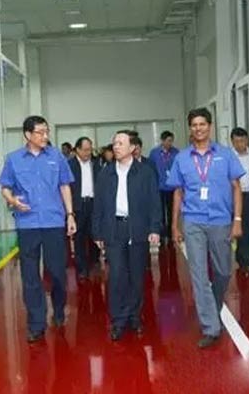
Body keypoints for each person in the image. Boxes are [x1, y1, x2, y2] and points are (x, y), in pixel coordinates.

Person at [167, 107, 245, 348]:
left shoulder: (225, 155)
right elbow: (178, 193)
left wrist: (237, 220)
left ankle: (214, 302)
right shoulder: (181, 158)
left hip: (221, 220)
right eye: (194, 125)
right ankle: (211, 327)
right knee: (199, 275)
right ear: (189, 129)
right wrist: (174, 225)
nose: (198, 128)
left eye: (202, 124)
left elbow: (236, 188)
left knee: (223, 271)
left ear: (209, 126)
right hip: (193, 222)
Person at [0, 115, 77, 343]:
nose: (45, 136)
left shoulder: (56, 157)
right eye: (40, 132)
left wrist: (70, 214)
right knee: (30, 276)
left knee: (57, 272)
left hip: (54, 222)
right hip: (28, 223)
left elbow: (64, 185)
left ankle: (59, 310)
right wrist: (13, 201)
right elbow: (5, 187)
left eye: (46, 132)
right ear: (27, 135)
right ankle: (36, 323)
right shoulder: (14, 160)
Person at [92, 130, 162, 341]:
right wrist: (97, 231)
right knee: (117, 276)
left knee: (137, 276)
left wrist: (155, 228)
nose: (115, 147)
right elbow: (99, 205)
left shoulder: (145, 172)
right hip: (114, 228)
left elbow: (154, 202)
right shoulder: (106, 173)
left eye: (120, 143)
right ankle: (118, 320)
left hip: (138, 228)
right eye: (114, 143)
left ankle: (135, 317)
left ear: (133, 148)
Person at [69, 137, 102, 280]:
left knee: (95, 235)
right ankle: (82, 268)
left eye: (90, 149)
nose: (89, 152)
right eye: (86, 150)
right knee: (79, 238)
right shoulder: (69, 165)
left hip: (94, 204)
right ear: (77, 149)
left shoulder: (96, 164)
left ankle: (94, 263)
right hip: (78, 205)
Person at [230, 127, 249, 275]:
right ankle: (247, 263)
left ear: (247, 140)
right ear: (232, 142)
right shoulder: (229, 157)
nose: (239, 144)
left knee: (247, 230)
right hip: (235, 196)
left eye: (242, 141)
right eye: (236, 141)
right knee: (240, 230)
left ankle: (241, 257)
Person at [149, 131, 179, 242]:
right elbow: (151, 169)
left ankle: (171, 232)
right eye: (168, 141)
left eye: (171, 141)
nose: (170, 143)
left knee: (172, 211)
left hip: (172, 187)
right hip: (159, 187)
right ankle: (161, 233)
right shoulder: (154, 153)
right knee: (160, 212)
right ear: (162, 141)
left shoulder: (176, 153)